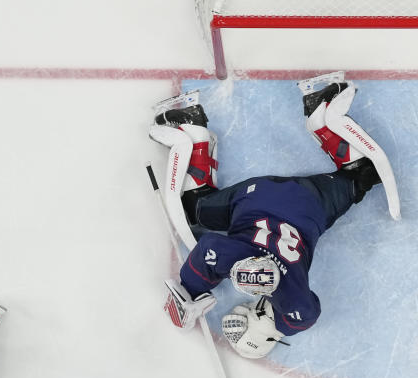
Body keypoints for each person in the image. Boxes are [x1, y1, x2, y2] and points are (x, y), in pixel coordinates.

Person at [149, 75, 400, 359]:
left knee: (363, 174)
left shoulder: (294, 301)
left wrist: (277, 310)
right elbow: (209, 249)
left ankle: (321, 114)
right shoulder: (259, 276)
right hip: (255, 198)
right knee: (193, 209)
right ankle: (191, 132)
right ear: (259, 328)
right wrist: (189, 292)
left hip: (309, 202)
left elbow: (304, 314)